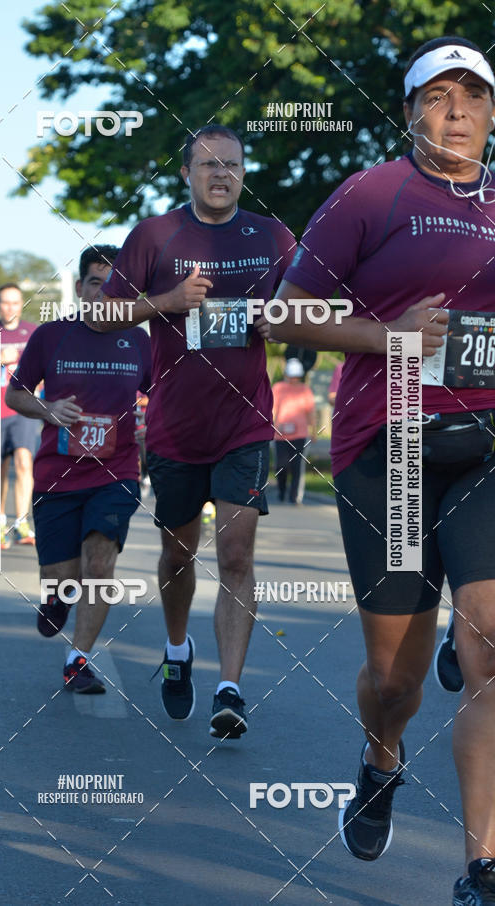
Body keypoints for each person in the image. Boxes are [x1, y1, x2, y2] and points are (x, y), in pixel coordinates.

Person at [258, 37, 495, 905]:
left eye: (474, 96)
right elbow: (285, 316)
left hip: (486, 443)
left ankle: (482, 867)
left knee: (490, 644)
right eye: (438, 96)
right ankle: (381, 754)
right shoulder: (372, 193)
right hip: (389, 446)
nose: (457, 111)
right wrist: (387, 335)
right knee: (395, 680)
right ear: (409, 113)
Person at [92, 124, 295, 739]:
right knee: (178, 553)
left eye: (231, 164)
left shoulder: (273, 235)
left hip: (244, 423)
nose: (220, 174)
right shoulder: (155, 235)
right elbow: (100, 314)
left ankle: (229, 689)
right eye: (208, 164)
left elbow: (312, 307)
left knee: (235, 554)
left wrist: (281, 319)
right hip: (176, 427)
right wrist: (168, 300)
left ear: (243, 172)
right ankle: (178, 649)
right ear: (186, 173)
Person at [5, 246, 151, 694]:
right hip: (57, 475)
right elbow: (15, 394)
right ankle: (56, 595)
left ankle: (78, 660)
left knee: (100, 563)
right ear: (79, 287)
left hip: (117, 472)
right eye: (95, 283)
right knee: (64, 578)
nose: (105, 293)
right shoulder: (51, 336)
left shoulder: (140, 342)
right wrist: (48, 409)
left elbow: (164, 395)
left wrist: (152, 424)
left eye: (115, 287)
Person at [0, 284, 38, 548]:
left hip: (24, 409)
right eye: (5, 302)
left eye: (15, 302)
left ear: (22, 304)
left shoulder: (33, 332)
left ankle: (22, 522)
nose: (10, 307)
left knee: (24, 462)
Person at [272, 358, 316, 503]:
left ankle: (294, 496)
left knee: (297, 466)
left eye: (296, 376)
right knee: (281, 465)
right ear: (286, 375)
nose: (293, 379)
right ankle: (281, 490)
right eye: (291, 376)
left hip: (300, 435)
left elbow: (311, 412)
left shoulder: (305, 390)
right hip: (280, 435)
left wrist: (314, 430)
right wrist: (271, 426)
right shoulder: (278, 388)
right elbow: (272, 409)